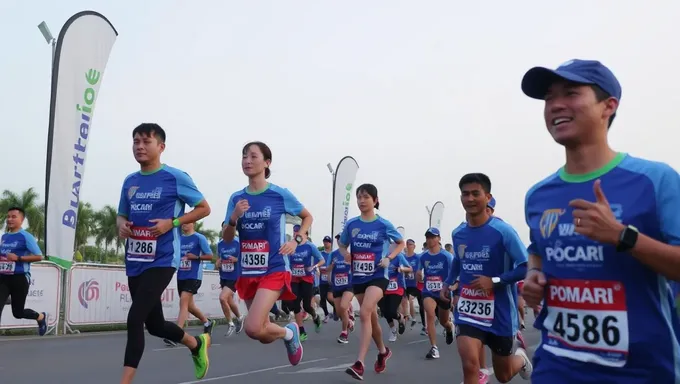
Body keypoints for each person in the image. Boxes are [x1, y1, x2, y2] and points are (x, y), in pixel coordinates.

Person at [521, 59, 680, 383]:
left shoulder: (655, 180)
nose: (556, 105)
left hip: (643, 370)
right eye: (549, 97)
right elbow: (538, 249)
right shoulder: (539, 195)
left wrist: (624, 236)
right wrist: (534, 273)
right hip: (557, 365)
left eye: (570, 93)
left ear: (609, 106)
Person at [117, 123, 212, 383]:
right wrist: (121, 225)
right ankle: (196, 344)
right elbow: (121, 214)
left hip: (162, 259)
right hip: (135, 258)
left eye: (146, 141)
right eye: (135, 141)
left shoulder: (175, 177)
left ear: (161, 147)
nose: (139, 146)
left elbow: (204, 208)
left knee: (135, 318)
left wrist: (173, 223)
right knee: (155, 325)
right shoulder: (130, 181)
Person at [222, 141, 312, 367]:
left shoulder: (279, 195)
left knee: (252, 326)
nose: (247, 161)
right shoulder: (236, 199)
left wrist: (296, 240)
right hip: (248, 270)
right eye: (244, 156)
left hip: (274, 268)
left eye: (253, 156)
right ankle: (290, 333)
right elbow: (227, 238)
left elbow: (307, 217)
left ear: (267, 162)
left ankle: (289, 334)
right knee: (258, 333)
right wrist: (234, 217)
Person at [442, 173, 531, 384]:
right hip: (468, 310)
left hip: (499, 313)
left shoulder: (503, 231)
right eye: (465, 194)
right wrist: (448, 281)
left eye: (475, 193)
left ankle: (521, 359)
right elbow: (458, 260)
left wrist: (495, 281)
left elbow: (526, 266)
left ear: (488, 197)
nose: (470, 199)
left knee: (503, 375)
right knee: (470, 365)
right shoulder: (458, 233)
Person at [339, 183, 405, 380]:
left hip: (378, 275)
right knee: (371, 319)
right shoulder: (352, 224)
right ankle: (383, 352)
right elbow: (342, 244)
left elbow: (400, 242)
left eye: (366, 197)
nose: (361, 201)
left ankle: (359, 363)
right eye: (358, 197)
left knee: (366, 312)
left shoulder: (383, 224)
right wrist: (346, 254)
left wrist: (389, 258)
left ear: (375, 200)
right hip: (359, 275)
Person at [164, 221, 215, 346]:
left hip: (194, 275)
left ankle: (177, 335)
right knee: (189, 306)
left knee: (183, 301)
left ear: (194, 224)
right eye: (183, 223)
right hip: (181, 275)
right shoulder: (179, 238)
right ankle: (207, 322)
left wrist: (196, 257)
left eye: (187, 222)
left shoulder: (199, 238)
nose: (184, 225)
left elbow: (210, 256)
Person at [0, 207, 48, 335]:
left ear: (21, 219)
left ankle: (40, 317)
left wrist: (18, 258)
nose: (9, 219)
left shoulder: (26, 236)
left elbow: (39, 256)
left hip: (19, 278)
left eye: (13, 217)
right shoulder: (4, 236)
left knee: (18, 313)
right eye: (8, 216)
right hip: (3, 277)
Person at [419, 227, 455, 359]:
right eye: (428, 237)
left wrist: (453, 285)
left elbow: (456, 273)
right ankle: (434, 348)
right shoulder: (423, 256)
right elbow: (419, 271)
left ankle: (449, 327)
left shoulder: (447, 256)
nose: (430, 240)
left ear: (439, 239)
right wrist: (418, 275)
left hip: (444, 293)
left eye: (433, 237)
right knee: (429, 313)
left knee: (443, 321)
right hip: (428, 291)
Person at [285, 224, 324, 341]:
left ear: (303, 234)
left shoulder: (310, 246)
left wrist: (314, 266)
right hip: (294, 279)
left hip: (306, 278)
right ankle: (302, 331)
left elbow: (322, 260)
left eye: (297, 232)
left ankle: (315, 316)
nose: (295, 234)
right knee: (295, 304)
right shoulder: (290, 246)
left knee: (307, 306)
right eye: (294, 232)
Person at [379, 242, 411, 342]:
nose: (391, 248)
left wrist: (401, 269)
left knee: (391, 310)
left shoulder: (399, 256)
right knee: (384, 310)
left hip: (397, 287)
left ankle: (400, 317)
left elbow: (409, 268)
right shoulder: (382, 256)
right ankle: (393, 329)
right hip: (384, 286)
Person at [215, 230, 245, 337]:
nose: (225, 231)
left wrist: (236, 259)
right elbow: (218, 258)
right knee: (228, 300)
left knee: (222, 298)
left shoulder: (238, 242)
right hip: (224, 276)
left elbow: (244, 258)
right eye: (223, 229)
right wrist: (217, 262)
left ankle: (230, 323)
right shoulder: (220, 244)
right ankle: (240, 317)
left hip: (234, 276)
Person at [328, 233, 356, 343]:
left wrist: (350, 264)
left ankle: (344, 333)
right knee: (340, 312)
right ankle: (349, 321)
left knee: (344, 306)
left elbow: (356, 269)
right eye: (338, 239)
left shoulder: (350, 255)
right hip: (337, 285)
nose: (339, 241)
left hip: (349, 285)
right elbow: (327, 268)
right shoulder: (333, 254)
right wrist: (332, 266)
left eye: (341, 239)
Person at [403, 239, 423, 329]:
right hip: (405, 284)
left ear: (414, 246)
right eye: (407, 244)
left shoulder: (417, 258)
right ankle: (410, 318)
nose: (409, 246)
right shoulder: (403, 257)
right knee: (405, 301)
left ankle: (423, 323)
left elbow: (421, 269)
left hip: (416, 284)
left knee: (421, 304)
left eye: (411, 244)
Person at [319, 236, 336, 322]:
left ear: (331, 243)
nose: (326, 243)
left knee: (330, 297)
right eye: (324, 241)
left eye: (328, 242)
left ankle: (337, 310)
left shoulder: (333, 254)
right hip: (322, 280)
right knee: (322, 299)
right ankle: (326, 315)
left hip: (331, 279)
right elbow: (317, 264)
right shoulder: (321, 254)